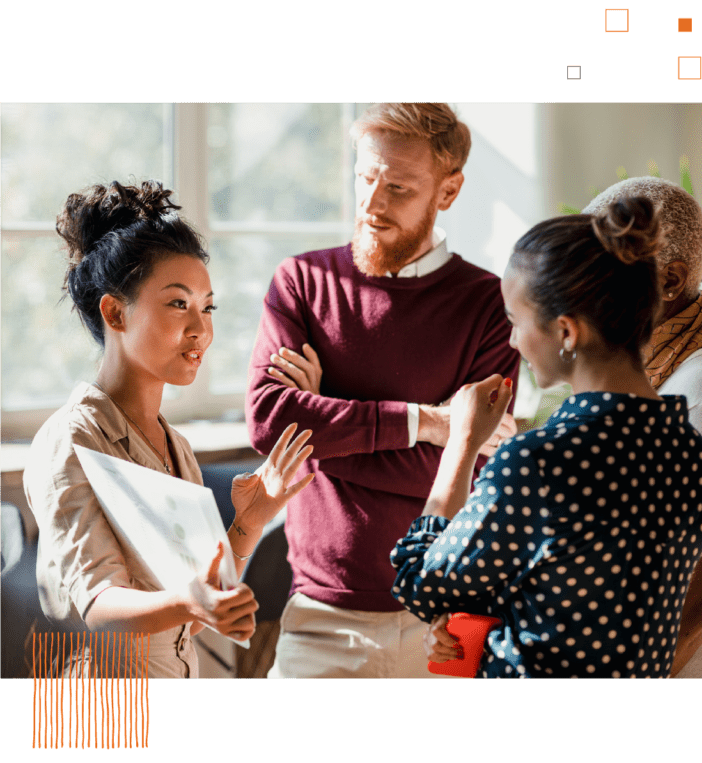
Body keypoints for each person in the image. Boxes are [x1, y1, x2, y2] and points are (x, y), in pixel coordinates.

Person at [246, 103, 520, 679]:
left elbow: (470, 471)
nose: (372, 204)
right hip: (318, 619)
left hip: (441, 626)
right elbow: (272, 423)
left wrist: (325, 438)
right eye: (366, 177)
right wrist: (431, 424)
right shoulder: (302, 282)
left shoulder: (491, 306)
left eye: (398, 187)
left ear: (448, 191)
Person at [390, 197, 702, 678]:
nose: (513, 341)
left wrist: (461, 442)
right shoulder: (686, 450)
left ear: (566, 332)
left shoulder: (541, 462)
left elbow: (423, 582)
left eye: (516, 322)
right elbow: (591, 594)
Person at [24, 181, 314, 679]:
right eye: (178, 304)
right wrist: (192, 601)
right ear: (116, 312)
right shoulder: (71, 441)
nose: (201, 328)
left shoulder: (173, 444)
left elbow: (196, 608)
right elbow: (100, 607)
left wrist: (249, 521)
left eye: (208, 306)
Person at [583, 177, 702, 678]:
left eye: (597, 271)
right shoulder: (645, 370)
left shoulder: (692, 399)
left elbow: (696, 589)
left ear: (671, 281)